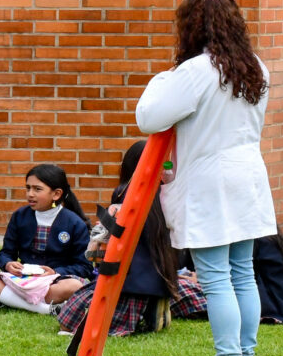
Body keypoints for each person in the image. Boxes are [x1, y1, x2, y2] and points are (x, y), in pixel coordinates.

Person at [137, 0, 277, 356]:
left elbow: (149, 117)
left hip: (210, 180)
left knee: (216, 278)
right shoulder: (256, 66)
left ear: (191, 26)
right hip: (248, 174)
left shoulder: (196, 71)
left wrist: (164, 76)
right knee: (242, 274)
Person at [56, 141, 204, 338]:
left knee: (69, 318)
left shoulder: (125, 192)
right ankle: (153, 312)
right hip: (161, 282)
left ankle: (138, 316)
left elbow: (105, 244)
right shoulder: (169, 195)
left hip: (127, 282)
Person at [0, 164, 92, 315]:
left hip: (55, 281)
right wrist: (8, 264)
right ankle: (44, 309)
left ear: (56, 194)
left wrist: (55, 271)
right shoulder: (20, 216)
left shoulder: (75, 223)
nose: (30, 194)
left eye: (37, 189)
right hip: (23, 279)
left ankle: (7, 300)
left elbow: (84, 266)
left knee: (74, 286)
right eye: (28, 188)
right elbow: (5, 253)